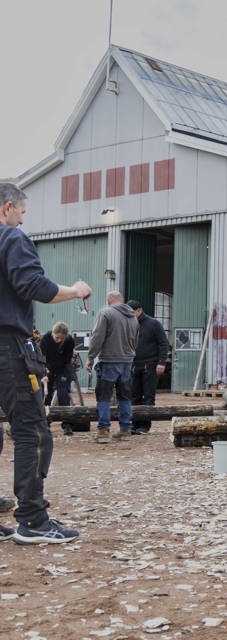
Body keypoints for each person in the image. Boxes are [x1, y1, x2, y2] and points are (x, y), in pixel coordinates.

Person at [0, 182, 92, 544]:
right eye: (21, 213)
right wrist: (75, 290)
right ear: (8, 207)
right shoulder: (11, 238)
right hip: (8, 346)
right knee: (33, 430)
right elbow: (32, 285)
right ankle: (33, 519)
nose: (22, 220)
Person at [86, 291, 139, 444]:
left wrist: (91, 357)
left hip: (109, 360)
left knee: (104, 397)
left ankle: (103, 431)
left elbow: (97, 337)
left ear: (108, 301)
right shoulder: (133, 317)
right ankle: (125, 430)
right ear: (122, 301)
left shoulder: (106, 313)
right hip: (127, 362)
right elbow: (136, 340)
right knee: (125, 396)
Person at [126, 300, 169, 434]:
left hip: (150, 364)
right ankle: (135, 424)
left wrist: (162, 362)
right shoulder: (129, 324)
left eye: (131, 312)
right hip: (134, 364)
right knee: (134, 396)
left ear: (139, 310)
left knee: (148, 396)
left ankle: (145, 425)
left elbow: (163, 343)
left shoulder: (153, 324)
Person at [40, 321, 77, 435]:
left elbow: (67, 359)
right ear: (53, 333)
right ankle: (45, 422)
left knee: (63, 393)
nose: (59, 340)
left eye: (62, 338)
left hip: (63, 367)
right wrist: (45, 370)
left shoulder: (70, 341)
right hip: (48, 367)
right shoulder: (45, 339)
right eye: (57, 338)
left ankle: (67, 424)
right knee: (46, 393)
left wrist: (54, 367)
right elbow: (41, 357)